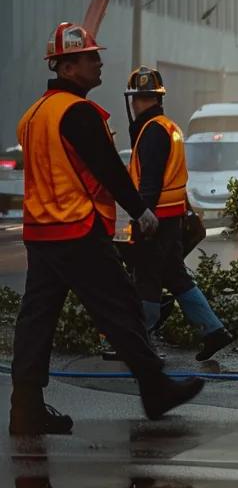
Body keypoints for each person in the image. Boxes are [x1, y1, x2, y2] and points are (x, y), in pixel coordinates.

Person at [11, 22, 204, 435]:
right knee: (122, 308)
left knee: (36, 320)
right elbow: (109, 170)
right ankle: (155, 389)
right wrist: (141, 212)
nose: (99, 63)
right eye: (90, 57)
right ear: (66, 67)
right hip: (77, 230)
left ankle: (24, 408)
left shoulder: (33, 116)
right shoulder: (77, 112)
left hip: (41, 233)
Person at [122, 66, 235, 361]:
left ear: (139, 100)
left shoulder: (151, 132)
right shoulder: (168, 127)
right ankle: (213, 331)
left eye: (136, 99)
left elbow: (151, 180)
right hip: (171, 219)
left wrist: (142, 216)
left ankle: (138, 340)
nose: (134, 105)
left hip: (156, 221)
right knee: (176, 277)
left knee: (146, 278)